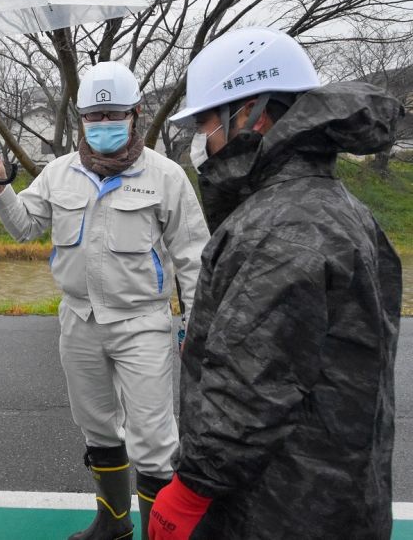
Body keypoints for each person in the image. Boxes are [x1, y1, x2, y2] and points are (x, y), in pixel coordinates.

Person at [148, 27, 404, 540]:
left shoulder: (284, 226)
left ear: (254, 114)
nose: (203, 140)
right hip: (330, 489)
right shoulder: (324, 205)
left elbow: (253, 384)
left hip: (283, 505)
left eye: (206, 121)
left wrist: (192, 487)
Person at [0, 61, 209, 540]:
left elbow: (192, 254)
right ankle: (113, 523)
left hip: (142, 320)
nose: (102, 125)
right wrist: (2, 188)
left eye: (113, 114)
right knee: (98, 427)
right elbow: (24, 228)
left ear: (136, 114)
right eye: (93, 116)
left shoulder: (166, 176)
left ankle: (158, 533)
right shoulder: (60, 173)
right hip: (79, 320)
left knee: (153, 437)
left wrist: (194, 324)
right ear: (80, 117)